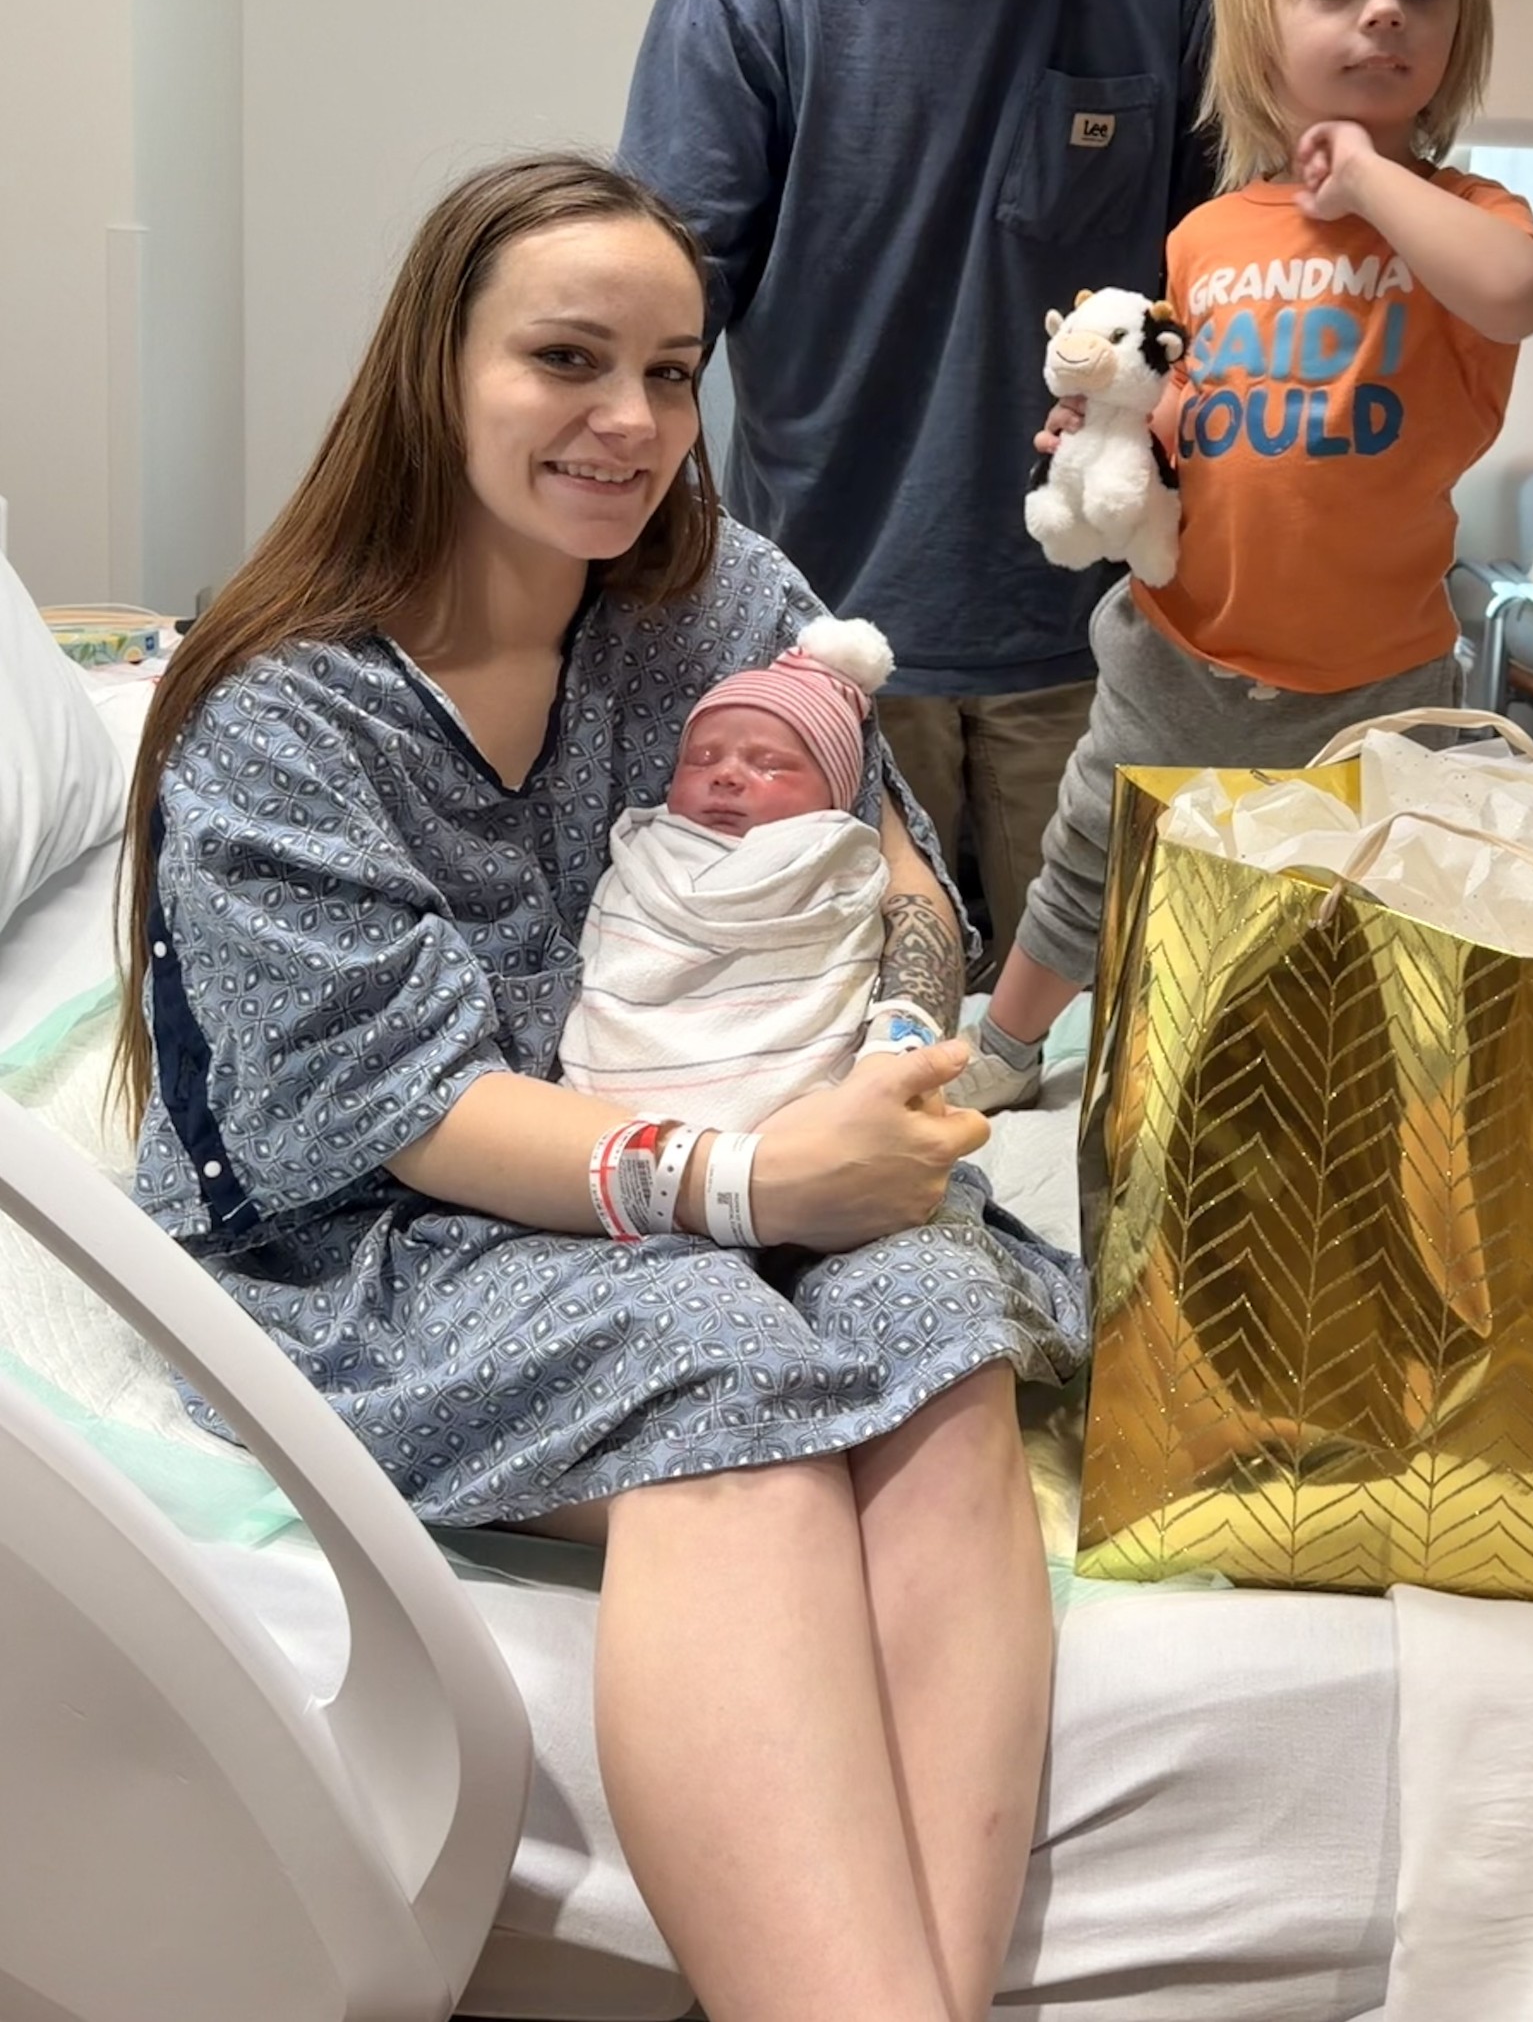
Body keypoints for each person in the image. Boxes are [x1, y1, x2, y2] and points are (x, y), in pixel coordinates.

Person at [112, 152, 1085, 2022]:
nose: (631, 422)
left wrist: (897, 1054)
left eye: (670, 370)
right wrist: (749, 1186)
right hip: (392, 1227)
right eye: (567, 358)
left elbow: (895, 871)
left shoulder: (724, 603)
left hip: (769, 1132)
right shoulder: (282, 716)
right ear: (437, 368)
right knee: (722, 1379)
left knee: (936, 1319)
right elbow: (398, 1112)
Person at [620, 0, 1234, 1006]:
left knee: (1097, 1082)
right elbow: (648, 346)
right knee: (838, 1076)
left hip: (1110, 670)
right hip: (824, 666)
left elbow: (1255, 316)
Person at [972, 0, 1533, 1110]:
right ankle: (1006, 1048)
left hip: (1377, 671)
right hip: (1184, 644)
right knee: (1091, 847)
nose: (1384, 13)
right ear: (1257, 32)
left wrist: (1370, 179)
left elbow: (1518, 296)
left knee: (1369, 896)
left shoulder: (1473, 219)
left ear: (1459, 29)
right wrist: (1112, 432)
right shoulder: (1206, 234)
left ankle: (1344, 1087)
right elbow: (1189, 411)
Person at [559, 616, 940, 1128]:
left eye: (768, 764)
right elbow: (612, 969)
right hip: (616, 1100)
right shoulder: (644, 852)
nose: (725, 774)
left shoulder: (834, 860)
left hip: (790, 1110)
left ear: (835, 794)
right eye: (701, 759)